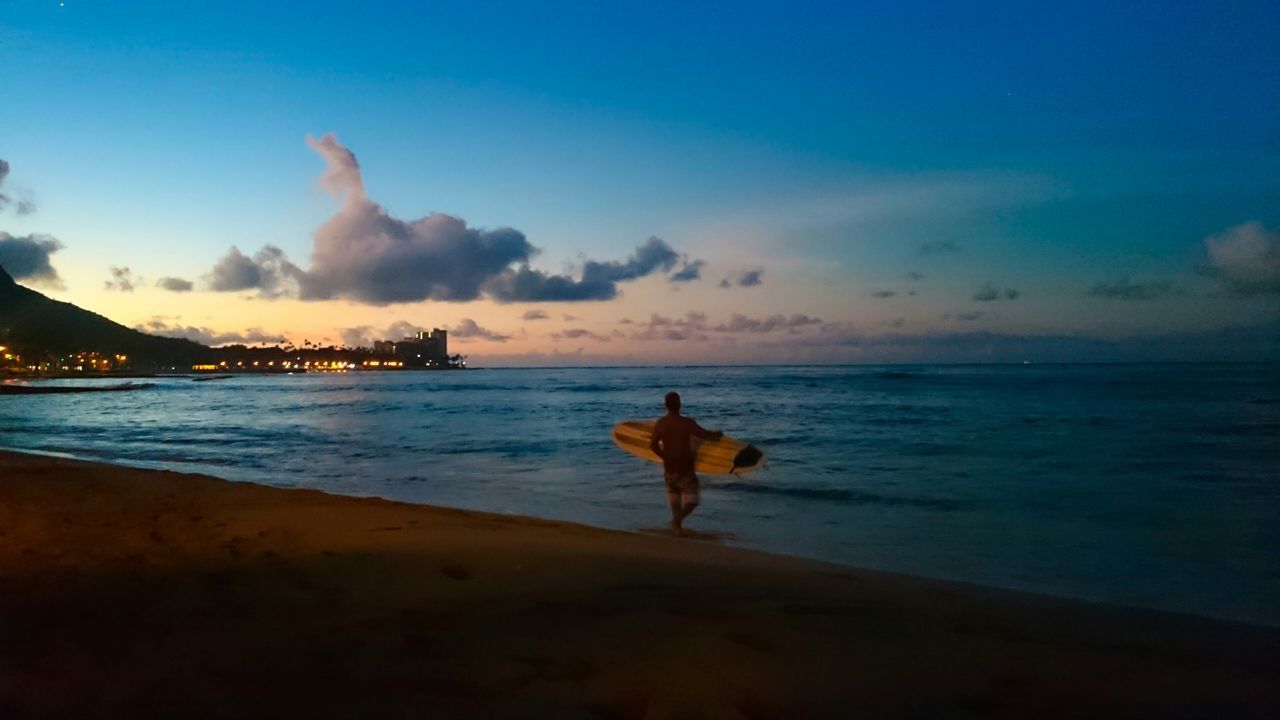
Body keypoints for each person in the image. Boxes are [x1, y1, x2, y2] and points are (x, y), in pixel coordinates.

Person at [649, 392, 723, 534]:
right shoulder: (687, 422)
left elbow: (653, 445)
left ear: (665, 406)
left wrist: (664, 457)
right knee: (693, 501)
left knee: (675, 496)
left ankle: (677, 527)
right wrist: (717, 435)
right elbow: (705, 435)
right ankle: (676, 522)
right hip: (685, 467)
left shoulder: (660, 423)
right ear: (679, 404)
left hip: (669, 467)